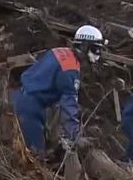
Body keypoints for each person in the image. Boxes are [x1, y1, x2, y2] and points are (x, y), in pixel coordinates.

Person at [13, 26, 105, 158]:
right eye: (96, 49)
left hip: (22, 95)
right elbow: (68, 105)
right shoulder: (70, 70)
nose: (98, 55)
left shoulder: (60, 52)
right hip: (30, 107)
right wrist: (75, 136)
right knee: (34, 156)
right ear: (84, 47)